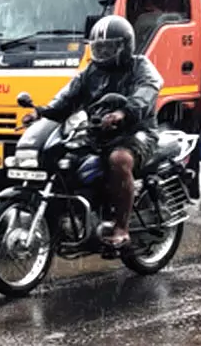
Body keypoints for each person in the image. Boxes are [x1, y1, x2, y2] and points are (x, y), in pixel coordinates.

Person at [23, 15, 162, 249]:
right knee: (65, 159)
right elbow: (67, 97)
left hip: (137, 133)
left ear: (125, 46)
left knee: (119, 159)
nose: (103, 52)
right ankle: (68, 219)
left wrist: (123, 113)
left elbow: (146, 92)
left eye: (109, 47)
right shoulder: (91, 72)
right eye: (99, 47)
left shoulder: (141, 66)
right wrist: (42, 112)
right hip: (98, 133)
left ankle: (121, 227)